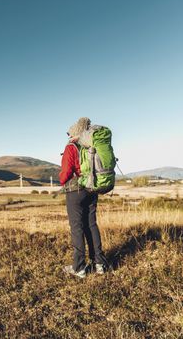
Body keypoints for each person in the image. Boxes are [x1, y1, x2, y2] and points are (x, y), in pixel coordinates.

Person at [60, 117, 108, 278]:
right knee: (91, 225)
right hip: (92, 188)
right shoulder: (91, 145)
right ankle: (100, 264)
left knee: (77, 228)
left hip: (75, 191)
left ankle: (79, 267)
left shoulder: (71, 147)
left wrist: (61, 180)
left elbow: (66, 172)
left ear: (74, 133)